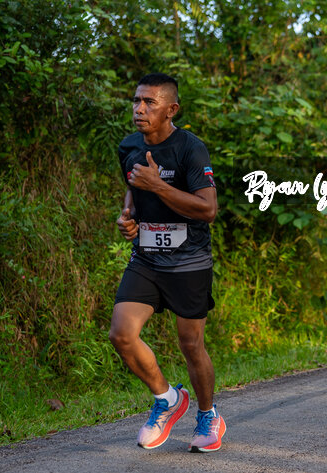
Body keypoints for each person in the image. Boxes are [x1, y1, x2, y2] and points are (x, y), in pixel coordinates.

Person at [108, 73, 225, 453]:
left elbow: (208, 209)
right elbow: (132, 188)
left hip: (189, 261)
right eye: (136, 101)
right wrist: (127, 216)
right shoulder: (128, 146)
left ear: (171, 109)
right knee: (121, 334)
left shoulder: (190, 149)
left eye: (150, 103)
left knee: (191, 344)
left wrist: (158, 185)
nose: (139, 109)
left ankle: (207, 414)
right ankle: (167, 398)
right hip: (146, 258)